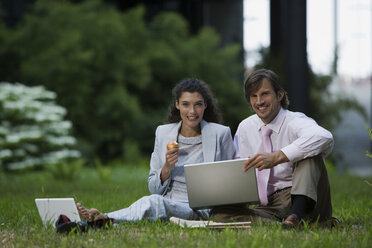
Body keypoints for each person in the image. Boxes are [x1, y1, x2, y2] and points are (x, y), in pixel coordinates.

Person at [77, 78, 235, 223]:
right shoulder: (163, 132)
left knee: (155, 202)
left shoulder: (220, 133)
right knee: (155, 201)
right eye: (186, 104)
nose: (192, 111)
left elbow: (231, 180)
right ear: (177, 104)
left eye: (198, 104)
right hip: (168, 200)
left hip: (200, 208)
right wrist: (166, 167)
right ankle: (106, 220)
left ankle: (106, 217)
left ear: (205, 105)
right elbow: (153, 188)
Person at [211, 68, 338, 228]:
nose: (259, 101)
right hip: (268, 206)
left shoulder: (295, 121)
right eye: (253, 96)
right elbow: (240, 169)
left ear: (279, 95)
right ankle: (290, 226)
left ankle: (296, 217)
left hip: (305, 199)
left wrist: (278, 156)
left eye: (265, 94)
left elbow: (324, 137)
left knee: (309, 154)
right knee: (219, 215)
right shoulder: (245, 127)